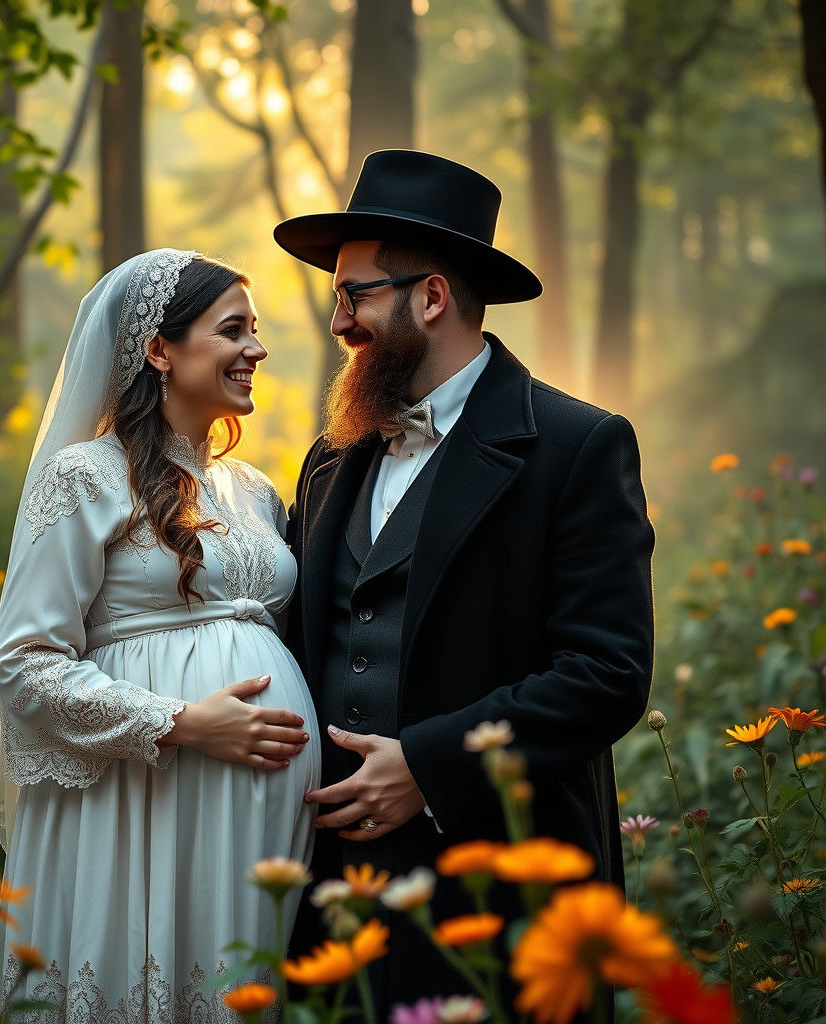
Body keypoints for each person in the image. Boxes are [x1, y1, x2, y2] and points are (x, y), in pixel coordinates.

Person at [275, 150, 655, 1014]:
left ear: (432, 297)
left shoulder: (576, 446)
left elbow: (607, 675)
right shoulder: (330, 457)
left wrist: (428, 765)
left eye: (354, 294)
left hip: (498, 902)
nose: (337, 320)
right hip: (335, 905)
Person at [0, 249, 320, 1021]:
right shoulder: (84, 477)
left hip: (253, 830)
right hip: (134, 804)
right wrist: (181, 722)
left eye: (257, 331)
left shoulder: (257, 492)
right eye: (233, 330)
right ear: (159, 349)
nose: (257, 351)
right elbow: (25, 661)